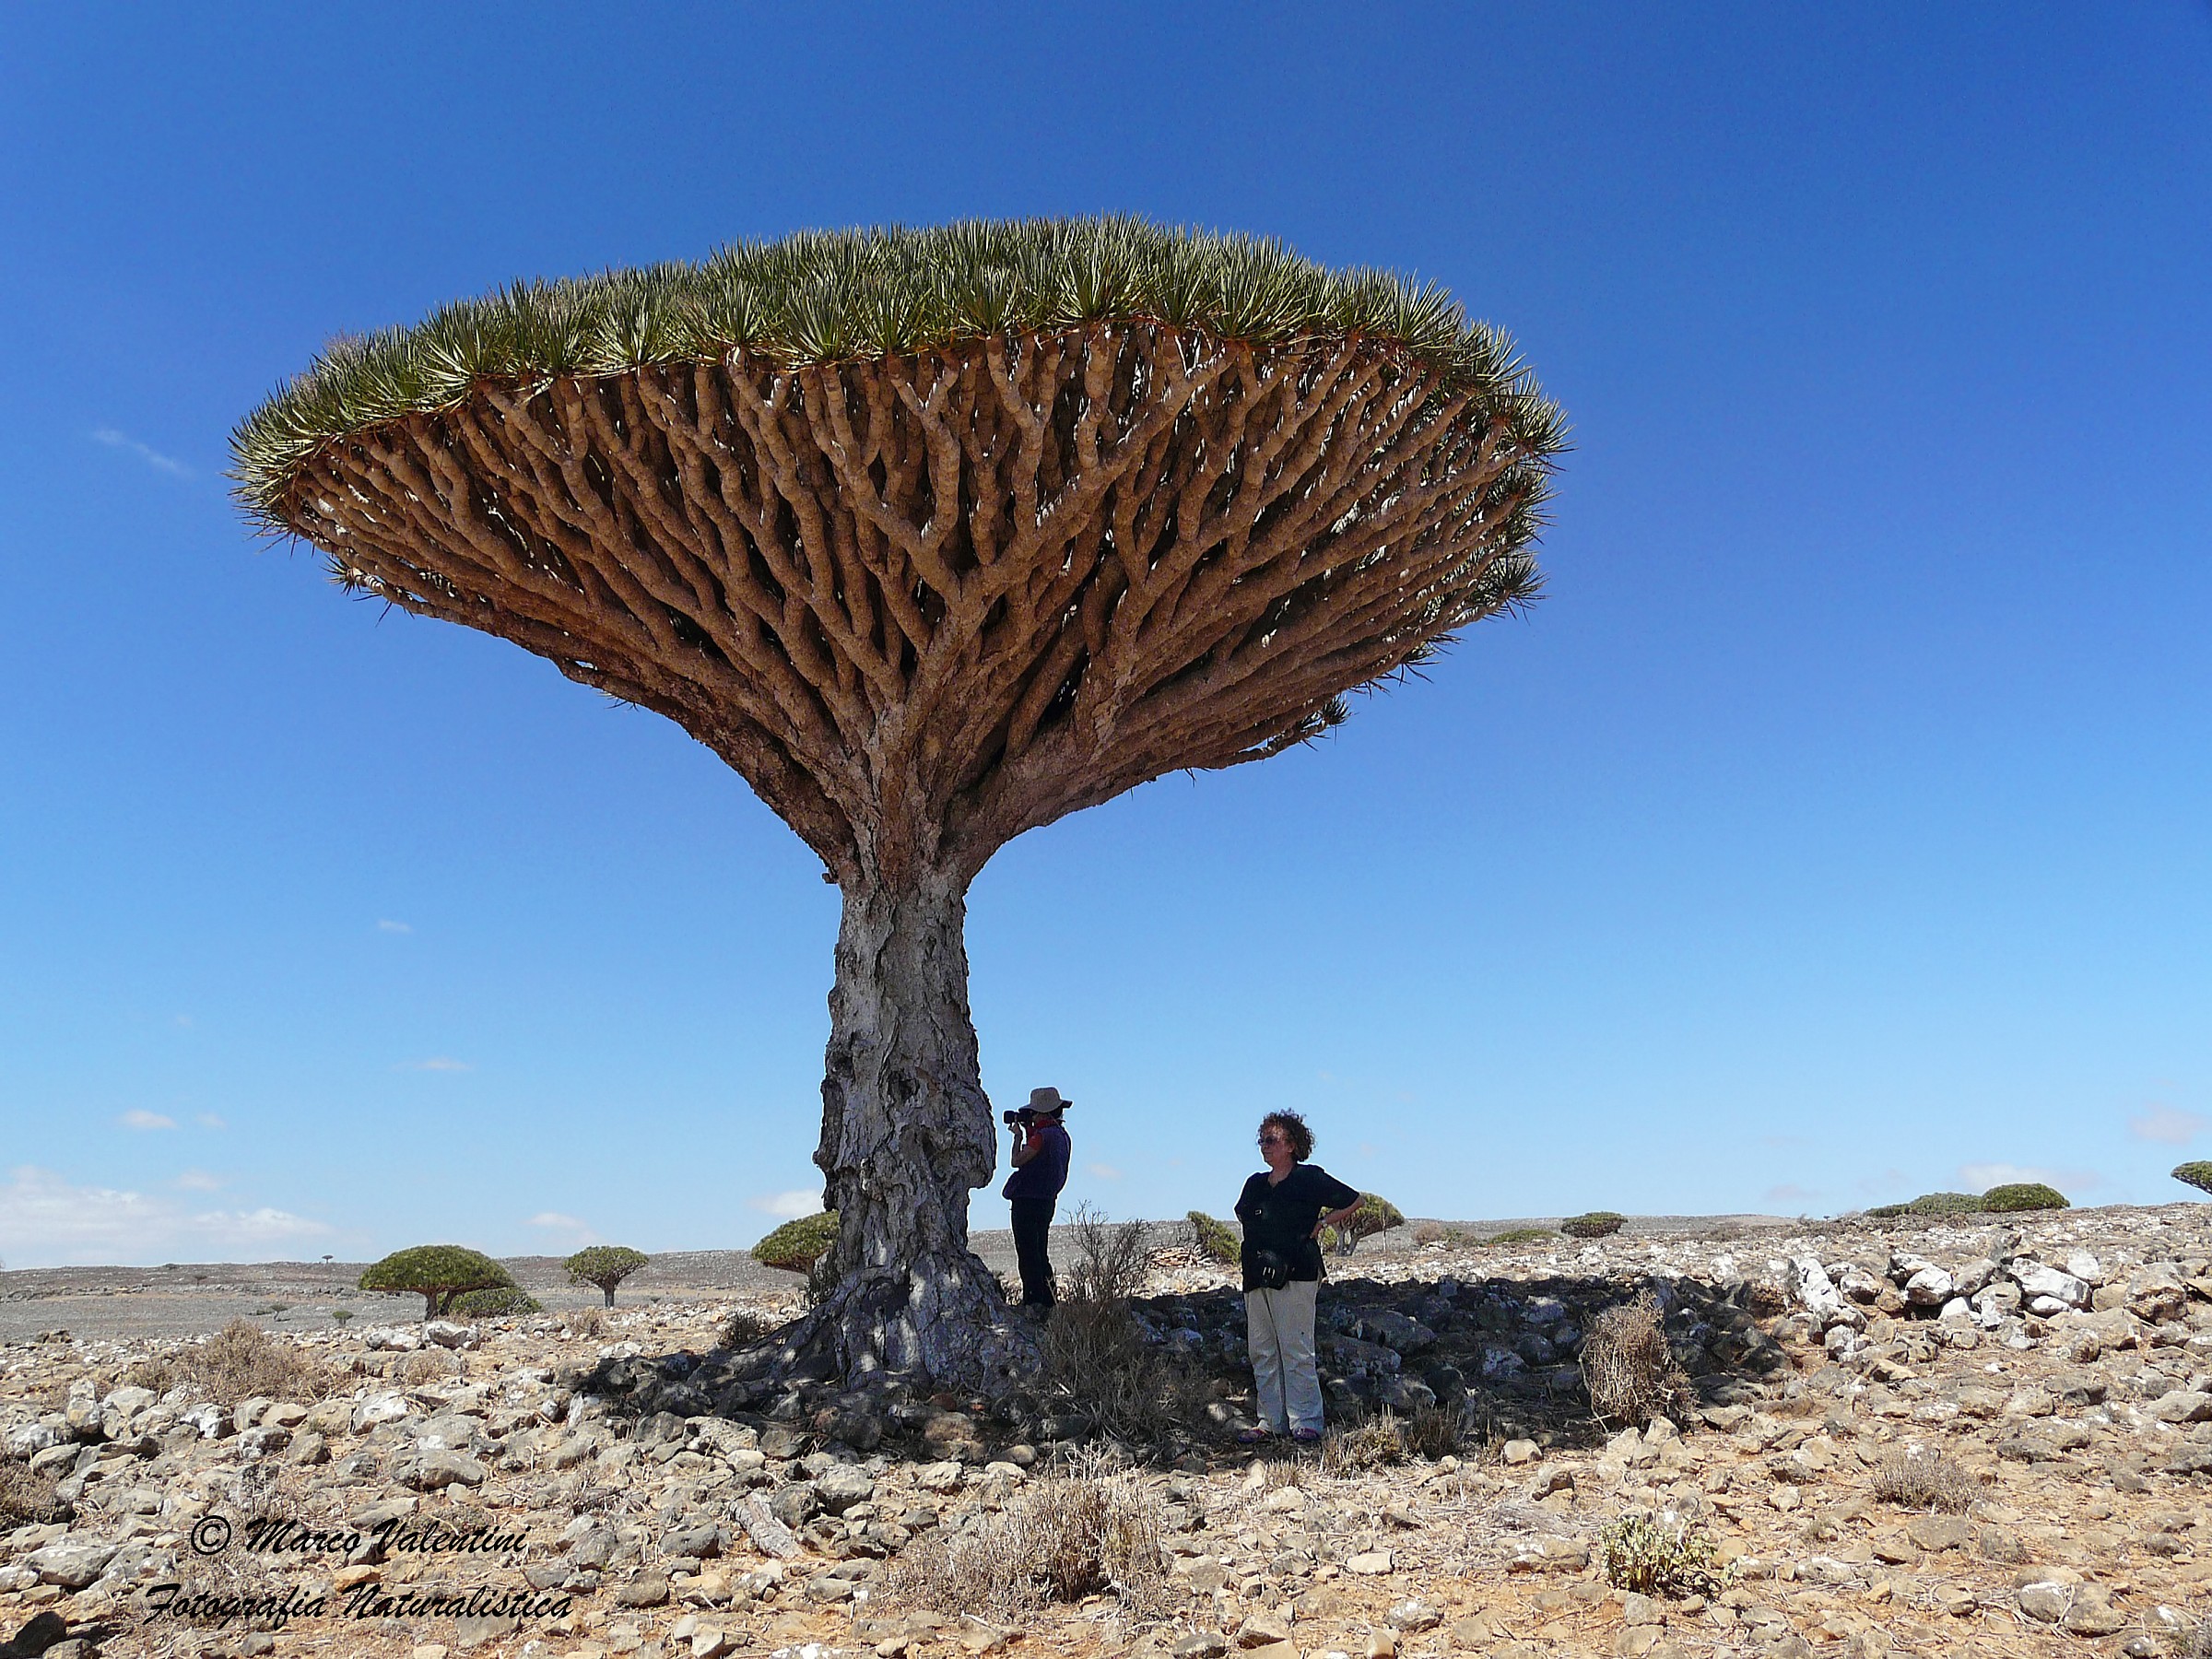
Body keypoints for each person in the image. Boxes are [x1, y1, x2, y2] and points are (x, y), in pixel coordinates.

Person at [1233, 1110, 1360, 1443]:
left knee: (1296, 1346)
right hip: (1257, 1274)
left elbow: (1354, 1200)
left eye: (1271, 1140)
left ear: (1291, 1144)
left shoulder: (1309, 1179)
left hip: (1297, 1272)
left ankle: (1306, 1420)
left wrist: (1324, 1222)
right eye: (1262, 1140)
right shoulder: (1255, 1184)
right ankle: (1270, 1419)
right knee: (1262, 1347)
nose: (1264, 1146)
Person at [1003, 1086, 1072, 1311]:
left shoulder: (1040, 1137)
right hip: (1047, 1201)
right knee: (1040, 1251)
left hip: (1027, 1200)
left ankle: (1033, 1301)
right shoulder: (1062, 1136)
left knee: (1027, 1252)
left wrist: (1018, 1138)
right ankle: (1049, 1300)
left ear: (1042, 1112)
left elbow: (1017, 1161)